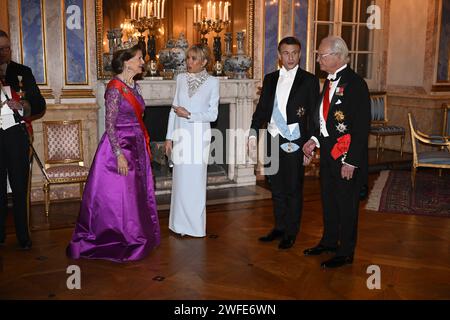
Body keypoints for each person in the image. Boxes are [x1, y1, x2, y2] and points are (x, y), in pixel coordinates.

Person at [67, 43, 160, 262]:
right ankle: (120, 237)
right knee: (120, 196)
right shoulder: (114, 88)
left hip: (136, 145)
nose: (142, 62)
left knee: (135, 194)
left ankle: (137, 233)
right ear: (127, 62)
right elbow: (109, 124)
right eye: (139, 58)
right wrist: (118, 154)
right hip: (119, 147)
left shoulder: (132, 85)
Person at [302, 36, 370, 268]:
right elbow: (324, 119)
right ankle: (329, 241)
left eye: (322, 55)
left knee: (347, 205)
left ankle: (345, 251)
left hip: (346, 157)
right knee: (329, 200)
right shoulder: (328, 82)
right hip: (329, 156)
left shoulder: (356, 84)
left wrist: (351, 161)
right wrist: (313, 140)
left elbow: (361, 127)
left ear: (338, 56)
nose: (318, 58)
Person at [249, 36, 319, 249]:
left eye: (294, 53)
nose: (290, 57)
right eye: (286, 53)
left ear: (300, 54)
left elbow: (314, 116)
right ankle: (279, 227)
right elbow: (262, 110)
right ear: (279, 56)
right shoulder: (270, 79)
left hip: (295, 140)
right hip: (272, 138)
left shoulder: (309, 80)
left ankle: (291, 231)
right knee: (275, 186)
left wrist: (311, 145)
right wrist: (253, 134)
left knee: (293, 188)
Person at [164, 45, 219, 237]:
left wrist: (190, 115)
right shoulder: (180, 79)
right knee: (180, 182)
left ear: (204, 62)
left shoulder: (213, 82)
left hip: (198, 137)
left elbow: (213, 114)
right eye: (188, 58)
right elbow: (173, 109)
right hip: (180, 136)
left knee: (195, 183)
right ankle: (178, 225)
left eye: (194, 59)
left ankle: (195, 227)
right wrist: (169, 137)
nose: (189, 62)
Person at [0, 30, 46, 250]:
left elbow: (39, 104)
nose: (3, 52)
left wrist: (22, 105)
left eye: (6, 48)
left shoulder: (22, 72)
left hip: (16, 136)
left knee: (19, 187)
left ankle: (23, 236)